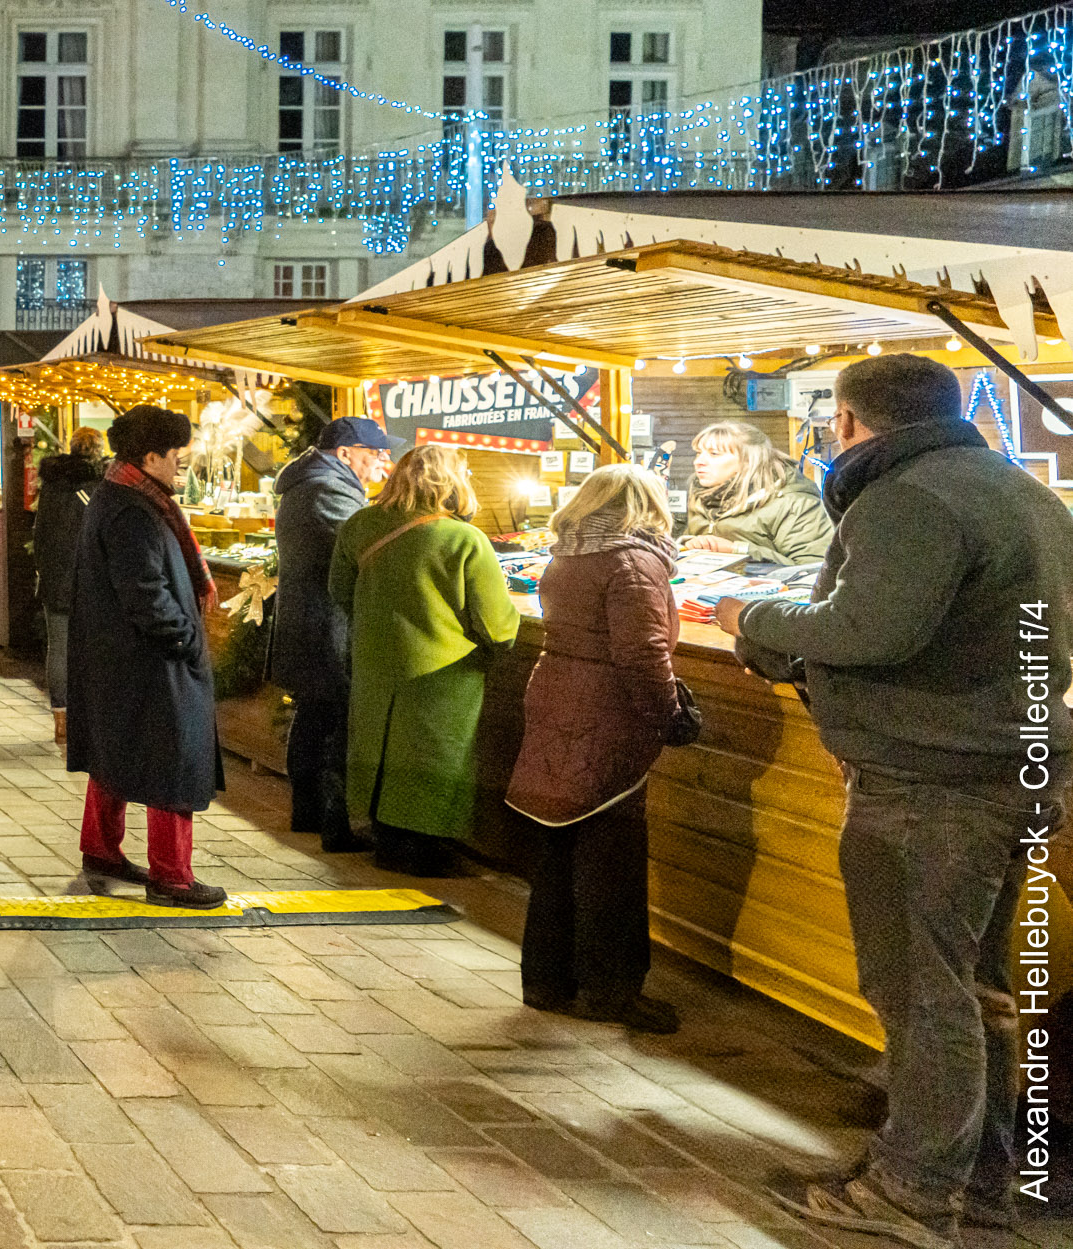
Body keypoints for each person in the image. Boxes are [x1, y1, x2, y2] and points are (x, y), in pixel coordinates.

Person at [714, 355, 1073, 1243]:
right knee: (972, 985)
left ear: (846, 421)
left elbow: (864, 629)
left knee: (920, 988)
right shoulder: (1022, 492)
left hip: (931, 780)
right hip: (1009, 767)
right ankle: (986, 1176)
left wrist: (748, 617)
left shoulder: (910, 498)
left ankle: (911, 1191)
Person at [506, 463, 684, 1035]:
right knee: (611, 855)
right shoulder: (634, 562)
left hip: (558, 695)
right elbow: (642, 652)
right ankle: (611, 991)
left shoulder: (568, 553)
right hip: (605, 709)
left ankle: (547, 979)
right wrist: (668, 714)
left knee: (557, 846)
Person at [327, 444, 519, 879]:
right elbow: (498, 626)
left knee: (378, 749)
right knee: (434, 756)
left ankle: (385, 841)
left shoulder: (359, 525)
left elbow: (340, 591)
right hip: (444, 674)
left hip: (376, 663)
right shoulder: (464, 538)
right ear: (452, 481)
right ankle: (423, 853)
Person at [65, 405, 225, 909]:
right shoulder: (134, 509)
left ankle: (101, 851)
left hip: (119, 656)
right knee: (172, 761)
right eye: (177, 454)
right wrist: (185, 639)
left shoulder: (119, 494)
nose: (184, 462)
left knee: (114, 750)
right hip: (149, 660)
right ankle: (172, 876)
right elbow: (145, 592)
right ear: (151, 455)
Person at [267, 417, 394, 851]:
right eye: (375, 454)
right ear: (345, 453)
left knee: (314, 718)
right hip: (325, 626)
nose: (384, 462)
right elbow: (367, 550)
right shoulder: (328, 488)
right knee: (334, 726)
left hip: (311, 622)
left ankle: (308, 814)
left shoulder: (314, 481)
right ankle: (334, 828)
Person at [32, 427, 107, 747]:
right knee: (94, 649)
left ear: (72, 448)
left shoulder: (51, 483)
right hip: (92, 579)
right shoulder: (101, 485)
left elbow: (40, 533)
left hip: (56, 577)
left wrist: (45, 569)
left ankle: (61, 721)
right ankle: (90, 719)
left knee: (58, 649)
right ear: (99, 450)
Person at [682, 420, 834, 564]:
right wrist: (686, 544)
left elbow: (812, 568)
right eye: (698, 453)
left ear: (748, 461)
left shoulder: (794, 503)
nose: (698, 462)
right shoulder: (701, 497)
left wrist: (737, 549)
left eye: (714, 454)